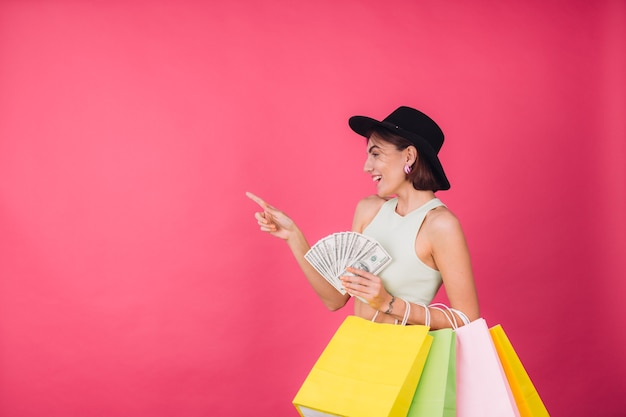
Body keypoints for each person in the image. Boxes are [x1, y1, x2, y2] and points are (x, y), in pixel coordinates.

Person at [246, 106, 479, 328]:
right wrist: (293, 236)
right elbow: (335, 300)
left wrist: (389, 303)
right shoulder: (369, 210)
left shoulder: (440, 225)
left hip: (404, 357)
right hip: (357, 351)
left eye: (376, 154)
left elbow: (467, 318)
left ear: (409, 156)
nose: (367, 167)